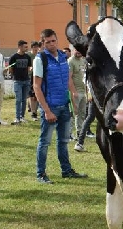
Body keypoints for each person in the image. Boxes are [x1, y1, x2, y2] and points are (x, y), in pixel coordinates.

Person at [33, 28, 88, 183]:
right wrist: (46, 110)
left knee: (63, 141)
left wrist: (73, 94)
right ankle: (41, 174)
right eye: (48, 42)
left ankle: (66, 170)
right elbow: (36, 87)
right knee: (45, 142)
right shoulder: (40, 59)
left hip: (64, 105)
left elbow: (67, 78)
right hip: (50, 107)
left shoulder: (63, 57)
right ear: (43, 43)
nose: (52, 44)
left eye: (54, 40)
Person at [9, 40, 32, 124]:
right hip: (17, 81)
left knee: (24, 100)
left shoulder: (27, 57)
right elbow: (10, 69)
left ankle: (22, 117)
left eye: (27, 46)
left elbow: (29, 67)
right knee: (18, 99)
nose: (27, 48)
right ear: (19, 47)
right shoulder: (14, 57)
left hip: (26, 80)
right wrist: (15, 75)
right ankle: (17, 118)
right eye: (25, 47)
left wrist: (29, 72)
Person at [68, 48, 87, 141]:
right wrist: (73, 91)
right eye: (76, 49)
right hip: (75, 92)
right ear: (73, 50)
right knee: (73, 113)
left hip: (83, 92)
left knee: (82, 113)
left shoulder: (83, 60)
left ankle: (80, 132)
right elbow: (69, 78)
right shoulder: (70, 61)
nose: (78, 51)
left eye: (80, 50)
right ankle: (69, 134)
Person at [28, 41, 41, 120]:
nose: (36, 49)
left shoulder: (39, 55)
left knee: (37, 95)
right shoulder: (28, 55)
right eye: (35, 47)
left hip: (38, 76)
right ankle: (33, 112)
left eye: (37, 47)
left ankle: (35, 111)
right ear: (32, 47)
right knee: (32, 96)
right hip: (30, 77)